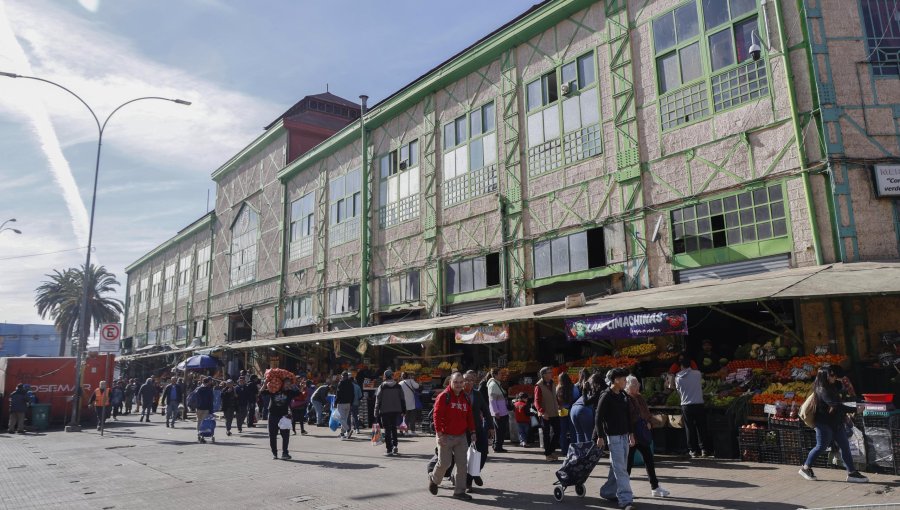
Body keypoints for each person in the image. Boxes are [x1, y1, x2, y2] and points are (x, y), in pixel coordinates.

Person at [799, 366, 868, 483]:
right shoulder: (821, 390)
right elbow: (836, 405)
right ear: (824, 377)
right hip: (824, 424)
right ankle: (805, 468)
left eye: (834, 375)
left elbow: (839, 402)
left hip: (837, 422)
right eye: (831, 375)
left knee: (845, 446)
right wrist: (855, 410)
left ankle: (852, 473)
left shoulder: (832, 386)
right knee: (821, 446)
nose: (834, 377)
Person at [428, 372, 475, 501]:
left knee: (462, 465)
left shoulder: (466, 397)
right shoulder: (444, 396)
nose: (459, 385)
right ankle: (434, 479)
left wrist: (473, 432)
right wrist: (440, 434)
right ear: (450, 382)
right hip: (446, 436)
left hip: (461, 436)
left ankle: (459, 492)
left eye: (461, 382)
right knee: (445, 463)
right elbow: (436, 416)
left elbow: (469, 416)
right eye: (456, 382)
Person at [595, 368, 635, 510]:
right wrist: (600, 436)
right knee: (621, 469)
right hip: (614, 437)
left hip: (624, 436)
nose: (625, 381)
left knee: (617, 467)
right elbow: (598, 417)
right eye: (623, 379)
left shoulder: (623, 394)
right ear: (616, 380)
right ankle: (625, 500)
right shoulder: (606, 395)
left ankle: (608, 491)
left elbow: (628, 415)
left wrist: (631, 433)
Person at [625, 375, 670, 498]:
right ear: (627, 386)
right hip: (633, 435)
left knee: (649, 461)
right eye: (634, 384)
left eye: (638, 383)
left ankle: (655, 487)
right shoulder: (626, 399)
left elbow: (646, 413)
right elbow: (629, 419)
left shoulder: (639, 397)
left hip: (643, 434)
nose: (637, 386)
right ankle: (626, 490)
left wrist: (650, 422)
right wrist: (631, 434)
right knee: (628, 464)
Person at [463, 370, 493, 490]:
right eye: (466, 380)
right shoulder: (458, 394)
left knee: (483, 452)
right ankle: (468, 481)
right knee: (467, 456)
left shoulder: (477, 394)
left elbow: (486, 410)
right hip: (463, 431)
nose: (469, 382)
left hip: (478, 428)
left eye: (471, 380)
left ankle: (475, 473)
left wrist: (490, 426)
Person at [675, 355, 708, 458]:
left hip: (686, 405)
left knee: (689, 428)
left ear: (681, 366)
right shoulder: (697, 374)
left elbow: (678, 391)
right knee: (701, 427)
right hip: (699, 403)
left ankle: (693, 451)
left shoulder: (678, 377)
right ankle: (704, 449)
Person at [260, 376, 299, 460]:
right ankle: (274, 453)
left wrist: (295, 385)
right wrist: (265, 383)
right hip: (273, 415)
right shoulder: (274, 389)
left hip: (284, 416)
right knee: (272, 435)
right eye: (286, 382)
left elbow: (299, 394)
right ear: (282, 383)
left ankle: (285, 453)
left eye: (289, 383)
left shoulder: (290, 392)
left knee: (285, 435)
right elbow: (262, 392)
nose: (288, 384)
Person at [374, 370, 406, 456]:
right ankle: (395, 445)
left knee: (387, 430)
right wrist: (403, 410)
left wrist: (376, 412)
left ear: (385, 376)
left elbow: (378, 400)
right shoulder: (398, 386)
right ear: (392, 376)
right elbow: (402, 399)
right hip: (396, 410)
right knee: (394, 428)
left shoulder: (382, 386)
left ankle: (389, 449)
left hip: (384, 411)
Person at [534, 367, 560, 461]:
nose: (551, 374)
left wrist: (559, 405)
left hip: (554, 412)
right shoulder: (538, 386)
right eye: (549, 372)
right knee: (546, 434)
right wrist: (542, 411)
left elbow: (554, 396)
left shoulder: (552, 383)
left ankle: (551, 450)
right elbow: (536, 401)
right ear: (544, 375)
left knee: (557, 432)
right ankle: (548, 454)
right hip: (545, 414)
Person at [571, 373, 603, 443]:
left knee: (579, 433)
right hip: (584, 410)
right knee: (588, 434)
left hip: (573, 409)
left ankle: (581, 453)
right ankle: (590, 452)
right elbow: (587, 403)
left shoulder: (591, 390)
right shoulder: (600, 391)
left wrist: (584, 390)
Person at [485, 368, 509, 453]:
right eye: (499, 374)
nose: (501, 375)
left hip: (502, 411)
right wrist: (496, 412)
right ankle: (498, 447)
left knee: (500, 430)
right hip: (499, 412)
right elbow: (492, 400)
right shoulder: (493, 385)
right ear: (495, 375)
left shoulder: (496, 384)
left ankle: (497, 446)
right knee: (500, 430)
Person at [556, 372, 575, 456]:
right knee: (573, 431)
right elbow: (577, 397)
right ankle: (574, 450)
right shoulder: (573, 387)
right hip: (571, 410)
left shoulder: (557, 388)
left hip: (562, 411)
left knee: (562, 432)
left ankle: (564, 450)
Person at [398, 372, 421, 436]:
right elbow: (417, 386)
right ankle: (413, 431)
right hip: (412, 403)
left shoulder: (400, 383)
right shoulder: (411, 381)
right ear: (408, 376)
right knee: (412, 418)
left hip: (404, 404)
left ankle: (406, 431)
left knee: (405, 418)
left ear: (402, 377)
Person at [335, 371, 355, 439]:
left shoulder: (341, 383)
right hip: (348, 404)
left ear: (342, 376)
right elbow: (353, 394)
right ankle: (342, 434)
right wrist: (351, 403)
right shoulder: (351, 384)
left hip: (341, 403)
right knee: (345, 419)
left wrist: (335, 402)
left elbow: (338, 394)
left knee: (340, 418)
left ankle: (348, 430)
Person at [194, 377, 214, 443]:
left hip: (198, 408)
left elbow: (194, 397)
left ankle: (199, 434)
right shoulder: (209, 390)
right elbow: (211, 401)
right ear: (208, 382)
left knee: (199, 421)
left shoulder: (198, 389)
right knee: (203, 422)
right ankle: (202, 435)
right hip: (206, 408)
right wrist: (211, 411)